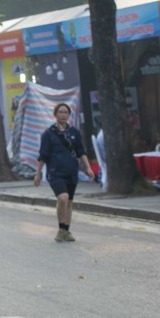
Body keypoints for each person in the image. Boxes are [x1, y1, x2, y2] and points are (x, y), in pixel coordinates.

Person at [34, 102, 95, 242]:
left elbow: (81, 151)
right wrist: (38, 174)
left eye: (66, 112)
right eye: (60, 112)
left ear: (69, 115)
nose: (63, 115)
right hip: (55, 172)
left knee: (69, 202)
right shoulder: (48, 134)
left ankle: (66, 231)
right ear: (55, 115)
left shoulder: (74, 132)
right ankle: (61, 228)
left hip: (71, 171)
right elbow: (42, 155)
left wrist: (88, 167)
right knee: (63, 198)